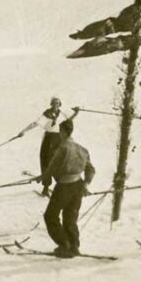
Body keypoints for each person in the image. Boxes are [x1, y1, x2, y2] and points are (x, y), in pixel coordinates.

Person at [41, 119, 95, 258]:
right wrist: (86, 184)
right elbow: (90, 169)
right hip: (78, 185)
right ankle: (74, 246)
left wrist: (44, 177)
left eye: (60, 131)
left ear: (64, 132)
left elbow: (52, 166)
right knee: (70, 218)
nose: (59, 134)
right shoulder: (82, 149)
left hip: (64, 186)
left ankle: (64, 244)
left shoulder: (63, 147)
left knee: (50, 216)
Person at [17, 97, 80, 196]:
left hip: (58, 139)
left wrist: (76, 113)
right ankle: (46, 187)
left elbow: (69, 120)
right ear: (51, 104)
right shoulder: (46, 114)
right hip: (48, 139)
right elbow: (35, 123)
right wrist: (23, 131)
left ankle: (60, 186)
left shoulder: (62, 114)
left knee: (59, 161)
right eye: (54, 103)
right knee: (46, 161)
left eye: (58, 103)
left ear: (60, 104)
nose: (56, 105)